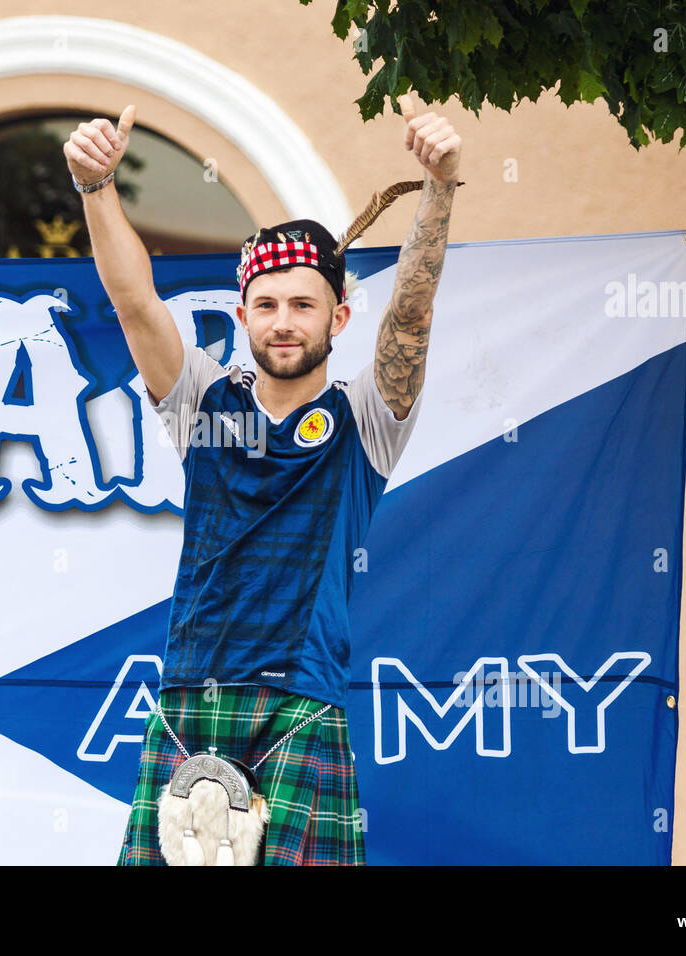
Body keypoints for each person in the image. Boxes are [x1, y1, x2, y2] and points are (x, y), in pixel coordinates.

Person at [64, 95, 460, 865]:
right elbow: (134, 302)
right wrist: (96, 188)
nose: (284, 320)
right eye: (267, 304)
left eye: (303, 306)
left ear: (337, 319)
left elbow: (411, 318)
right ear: (242, 315)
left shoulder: (366, 424)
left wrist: (440, 189)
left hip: (299, 706)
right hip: (189, 698)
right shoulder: (201, 403)